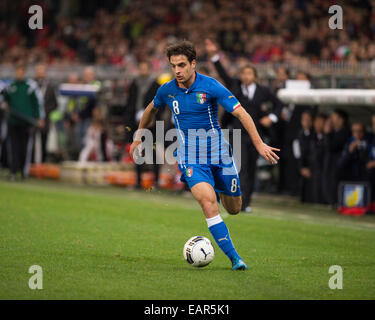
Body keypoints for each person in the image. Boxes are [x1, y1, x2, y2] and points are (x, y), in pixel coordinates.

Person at [130, 40, 279, 271]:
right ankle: (235, 259)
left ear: (193, 63)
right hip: (191, 158)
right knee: (208, 204)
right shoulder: (167, 90)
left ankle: (219, 187)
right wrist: (139, 136)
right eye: (173, 66)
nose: (177, 71)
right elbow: (151, 109)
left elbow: (242, 114)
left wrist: (259, 144)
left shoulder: (212, 86)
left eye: (181, 65)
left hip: (220, 155)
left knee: (234, 208)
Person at [205, 38, 283, 213]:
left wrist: (272, 117)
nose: (246, 76)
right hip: (237, 135)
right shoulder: (236, 86)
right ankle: (233, 201)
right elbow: (223, 74)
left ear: (255, 76)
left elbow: (278, 104)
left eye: (249, 74)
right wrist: (214, 56)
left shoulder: (263, 91)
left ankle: (246, 203)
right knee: (238, 169)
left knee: (251, 170)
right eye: (244, 73)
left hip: (256, 137)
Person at [1, 63, 43, 180]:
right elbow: (5, 100)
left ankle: (24, 172)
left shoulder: (30, 87)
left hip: (26, 123)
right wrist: (4, 104)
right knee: (13, 148)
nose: (19, 73)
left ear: (24, 73)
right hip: (13, 122)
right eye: (17, 71)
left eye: (21, 71)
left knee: (25, 148)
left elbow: (37, 104)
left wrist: (39, 118)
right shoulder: (11, 86)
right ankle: (13, 171)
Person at [127, 61, 161, 189]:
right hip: (136, 123)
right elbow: (129, 104)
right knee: (137, 152)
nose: (142, 71)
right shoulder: (134, 84)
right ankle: (138, 182)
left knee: (153, 153)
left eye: (144, 68)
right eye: (140, 68)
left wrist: (153, 118)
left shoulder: (155, 85)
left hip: (151, 124)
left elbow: (160, 105)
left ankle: (156, 182)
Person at [323, 109, 351, 207]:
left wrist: (327, 133)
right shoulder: (335, 132)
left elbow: (332, 146)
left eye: (334, 117)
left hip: (339, 165)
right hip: (331, 163)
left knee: (335, 184)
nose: (332, 120)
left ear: (341, 119)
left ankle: (336, 202)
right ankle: (331, 201)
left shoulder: (345, 132)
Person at [34, 63, 58, 162]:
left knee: (44, 141)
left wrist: (45, 113)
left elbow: (55, 104)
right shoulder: (32, 84)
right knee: (32, 142)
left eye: (42, 71)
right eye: (39, 70)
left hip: (46, 119)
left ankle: (42, 163)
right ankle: (31, 164)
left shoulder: (50, 86)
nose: (40, 73)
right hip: (33, 119)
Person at [293, 110, 314, 203]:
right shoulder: (298, 135)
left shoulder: (315, 135)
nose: (307, 122)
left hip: (313, 167)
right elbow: (297, 153)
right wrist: (301, 168)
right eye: (304, 120)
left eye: (309, 120)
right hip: (302, 166)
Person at [310, 113, 327, 204]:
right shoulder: (312, 137)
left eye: (320, 122)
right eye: (316, 122)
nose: (317, 125)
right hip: (315, 170)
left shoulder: (327, 138)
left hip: (324, 170)